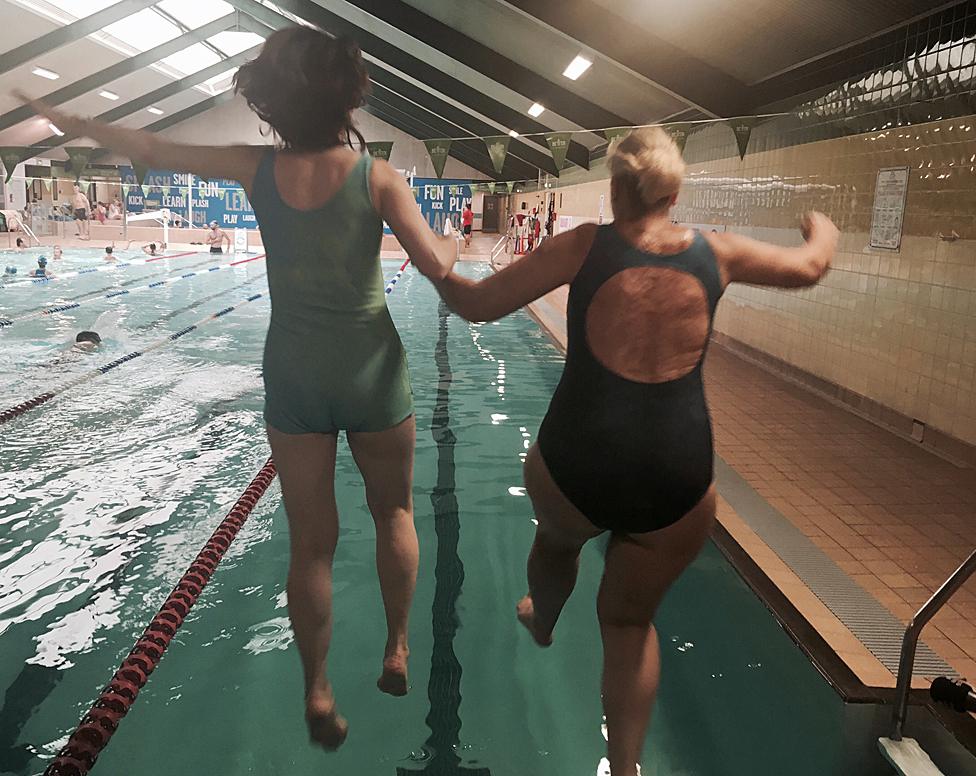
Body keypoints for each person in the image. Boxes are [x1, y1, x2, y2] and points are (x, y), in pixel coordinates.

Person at [16, 27, 457, 752]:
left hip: (293, 374)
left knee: (310, 546)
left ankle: (316, 687)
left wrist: (75, 122)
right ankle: (398, 648)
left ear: (270, 101)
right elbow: (438, 267)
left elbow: (154, 148)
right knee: (395, 512)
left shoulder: (255, 170)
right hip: (373, 370)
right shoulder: (378, 179)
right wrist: (454, 249)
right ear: (351, 94)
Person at [430, 127, 838, 776]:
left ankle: (542, 616)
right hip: (675, 475)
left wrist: (435, 258)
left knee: (556, 544)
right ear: (673, 190)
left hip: (575, 462)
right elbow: (811, 267)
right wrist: (822, 230)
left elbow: (478, 304)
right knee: (627, 627)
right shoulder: (720, 252)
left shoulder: (582, 246)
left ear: (616, 189)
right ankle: (625, 769)